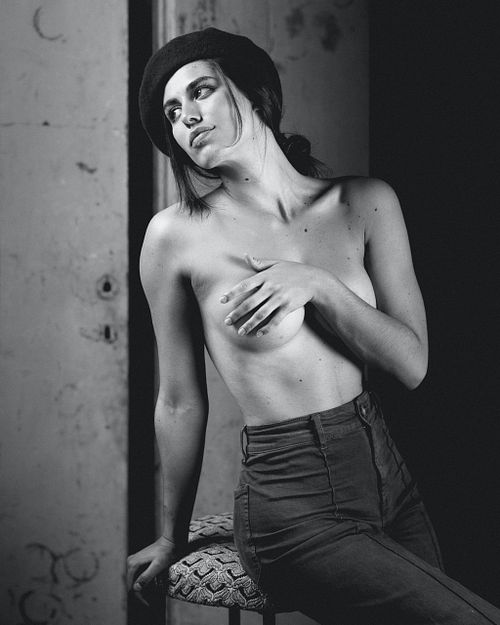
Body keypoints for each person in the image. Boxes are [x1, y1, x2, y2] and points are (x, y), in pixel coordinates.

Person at [127, 27, 500, 624]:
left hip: (389, 476)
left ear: (254, 94)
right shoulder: (175, 237)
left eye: (201, 91)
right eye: (172, 112)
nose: (186, 118)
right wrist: (171, 536)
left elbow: (411, 365)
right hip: (291, 502)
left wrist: (318, 286)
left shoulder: (365, 202)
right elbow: (178, 401)